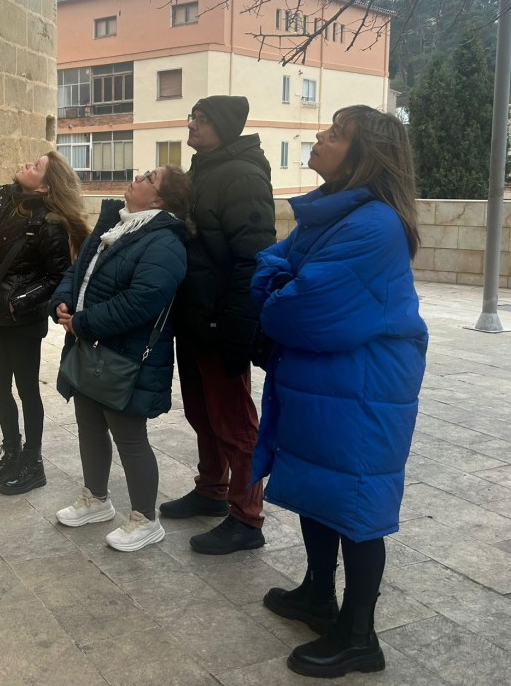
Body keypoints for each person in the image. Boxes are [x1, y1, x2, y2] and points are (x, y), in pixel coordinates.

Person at [252, 105, 428, 678]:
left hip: (363, 387)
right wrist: (280, 283)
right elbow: (273, 269)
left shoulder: (372, 225)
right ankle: (316, 594)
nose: (320, 137)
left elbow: (301, 306)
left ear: (361, 153)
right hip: (328, 380)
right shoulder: (331, 216)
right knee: (320, 490)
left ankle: (359, 636)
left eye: (334, 133)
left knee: (357, 507)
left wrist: (278, 289)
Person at [50, 166, 191, 551]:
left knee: (129, 438)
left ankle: (146, 519)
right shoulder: (118, 226)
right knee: (89, 426)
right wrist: (63, 301)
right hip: (90, 346)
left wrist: (83, 322)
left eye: (149, 177)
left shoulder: (164, 241)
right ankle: (96, 499)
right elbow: (79, 270)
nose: (138, 177)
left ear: (160, 199)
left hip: (127, 356)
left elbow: (143, 300)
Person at [163, 95, 276, 555]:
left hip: (219, 319)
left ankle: (247, 518)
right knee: (201, 413)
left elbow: (254, 259)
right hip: (192, 316)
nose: (192, 124)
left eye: (202, 119)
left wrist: (238, 326)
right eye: (192, 116)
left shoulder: (243, 176)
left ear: (224, 128)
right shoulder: (202, 169)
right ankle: (211, 489)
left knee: (233, 421)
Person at [0, 151, 89, 494]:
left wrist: (18, 301)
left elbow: (57, 277)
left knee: (27, 389)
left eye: (36, 167)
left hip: (21, 319)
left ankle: (33, 463)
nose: (27, 164)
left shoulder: (50, 223)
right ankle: (12, 453)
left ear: (46, 187)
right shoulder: (8, 203)